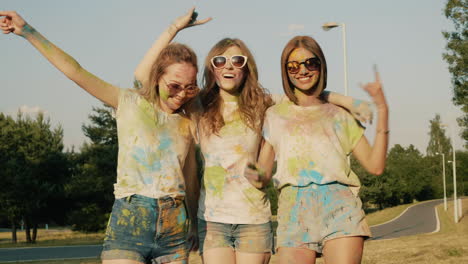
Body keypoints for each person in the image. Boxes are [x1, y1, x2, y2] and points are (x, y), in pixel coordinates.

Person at [135, 10, 373, 264]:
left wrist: (345, 100)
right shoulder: (198, 106)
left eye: (237, 60)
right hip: (213, 221)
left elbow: (305, 94)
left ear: (246, 68)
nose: (228, 66)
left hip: (254, 220)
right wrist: (174, 28)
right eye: (220, 61)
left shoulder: (263, 105)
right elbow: (142, 79)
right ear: (211, 68)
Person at [0, 10, 210, 264]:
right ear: (157, 79)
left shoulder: (187, 122)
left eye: (189, 88)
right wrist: (28, 31)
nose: (181, 94)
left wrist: (194, 225)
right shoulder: (129, 102)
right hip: (129, 222)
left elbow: (189, 176)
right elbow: (75, 70)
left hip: (174, 226)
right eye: (174, 86)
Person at [247, 35, 389, 264]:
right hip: (293, 212)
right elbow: (261, 177)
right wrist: (246, 164)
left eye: (310, 63)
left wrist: (383, 110)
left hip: (340, 208)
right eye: (293, 66)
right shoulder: (274, 115)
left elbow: (376, 166)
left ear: (321, 65)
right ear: (286, 71)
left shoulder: (340, 115)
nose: (302, 70)